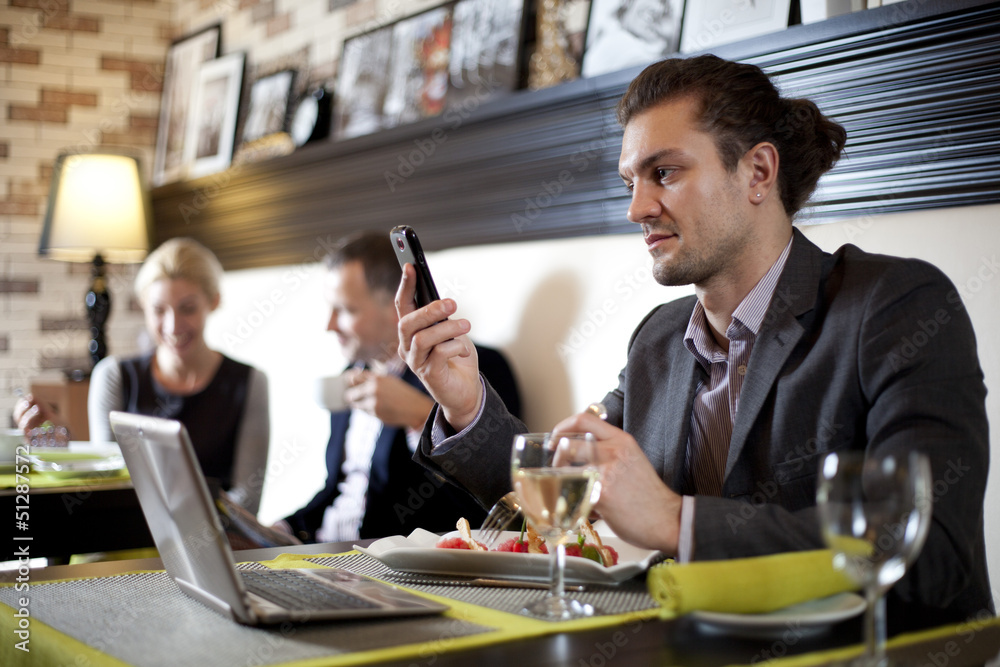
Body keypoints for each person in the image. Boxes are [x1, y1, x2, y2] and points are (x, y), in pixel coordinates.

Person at [395, 55, 993, 633]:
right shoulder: (657, 339)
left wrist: (676, 520)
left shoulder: (896, 305)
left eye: (665, 173)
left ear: (758, 172)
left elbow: (929, 553)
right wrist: (465, 402)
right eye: (631, 180)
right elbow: (560, 497)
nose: (637, 208)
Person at [275, 232, 521, 542]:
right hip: (325, 551)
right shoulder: (351, 373)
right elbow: (338, 488)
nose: (329, 325)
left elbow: (494, 507)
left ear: (396, 308)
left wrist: (420, 418)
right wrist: (280, 529)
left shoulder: (475, 369)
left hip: (388, 566)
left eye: (346, 310)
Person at [14, 238, 270, 515]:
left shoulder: (248, 382)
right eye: (159, 310)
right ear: (143, 307)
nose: (173, 326)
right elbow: (107, 483)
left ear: (213, 301)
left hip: (215, 539)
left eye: (188, 308)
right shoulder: (114, 376)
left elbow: (247, 502)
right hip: (127, 531)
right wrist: (64, 443)